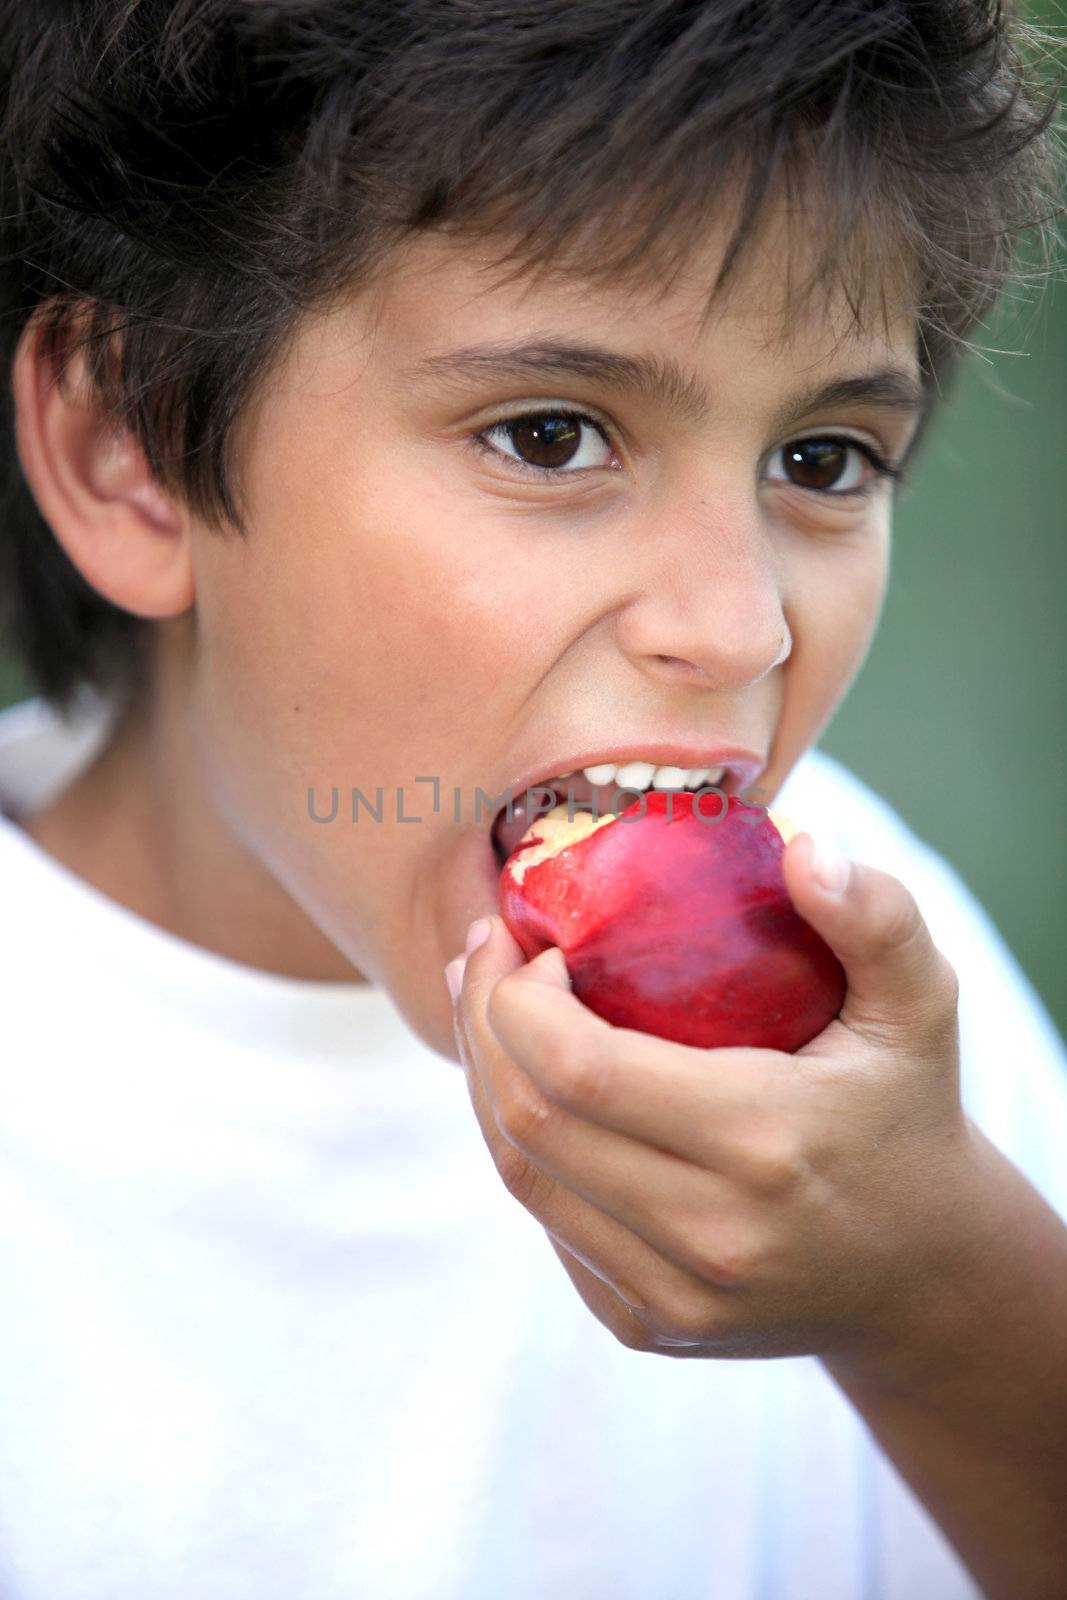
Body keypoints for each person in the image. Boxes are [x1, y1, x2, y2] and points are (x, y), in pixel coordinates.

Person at [0, 2, 1065, 1595]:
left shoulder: (894, 1036)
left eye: (827, 461)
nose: (738, 627)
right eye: (553, 436)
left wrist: (947, 1306)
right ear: (127, 449)